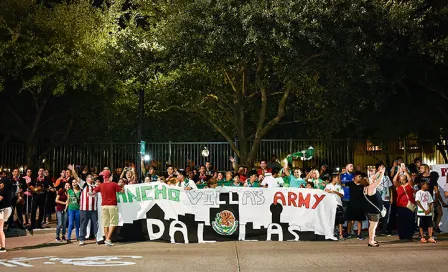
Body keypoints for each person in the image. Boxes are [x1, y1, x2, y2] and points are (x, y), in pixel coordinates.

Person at [92, 169, 124, 246]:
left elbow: (93, 192)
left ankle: (107, 239)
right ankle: (107, 238)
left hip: (104, 206)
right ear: (110, 177)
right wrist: (122, 187)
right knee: (114, 222)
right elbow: (122, 191)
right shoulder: (114, 184)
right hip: (112, 205)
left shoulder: (101, 185)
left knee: (105, 223)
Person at [71, 166, 99, 246]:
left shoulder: (95, 186)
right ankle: (82, 239)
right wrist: (73, 171)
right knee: (83, 224)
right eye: (90, 177)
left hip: (93, 209)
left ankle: (98, 237)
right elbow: (76, 177)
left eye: (92, 177)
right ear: (87, 179)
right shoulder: (83, 184)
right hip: (84, 209)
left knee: (95, 224)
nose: (92, 178)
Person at [416, 164, 443, 233]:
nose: (420, 169)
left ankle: (431, 232)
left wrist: (436, 199)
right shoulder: (419, 177)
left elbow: (436, 189)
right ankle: (421, 233)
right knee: (421, 217)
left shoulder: (432, 178)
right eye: (420, 168)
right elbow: (414, 185)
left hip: (429, 200)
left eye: (422, 168)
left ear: (427, 169)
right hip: (420, 200)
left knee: (430, 216)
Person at [363, 165, 385, 247]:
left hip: (370, 210)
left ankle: (371, 240)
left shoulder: (366, 187)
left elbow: (373, 177)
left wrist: (378, 172)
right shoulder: (371, 187)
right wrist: (382, 173)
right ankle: (371, 241)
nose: (373, 178)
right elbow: (378, 181)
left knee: (372, 226)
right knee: (373, 226)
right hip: (373, 211)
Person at [393, 164, 415, 241]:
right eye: (401, 176)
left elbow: (410, 180)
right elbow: (394, 180)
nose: (401, 177)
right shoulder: (398, 186)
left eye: (403, 176)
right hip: (401, 205)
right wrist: (398, 172)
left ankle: (409, 235)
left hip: (409, 205)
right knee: (401, 221)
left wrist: (405, 170)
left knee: (410, 221)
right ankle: (402, 235)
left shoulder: (409, 185)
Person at [344, 171, 366, 240]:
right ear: (355, 177)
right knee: (350, 220)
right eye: (359, 176)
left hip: (360, 205)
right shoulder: (350, 184)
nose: (360, 178)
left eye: (361, 177)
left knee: (360, 220)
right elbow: (341, 184)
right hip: (351, 204)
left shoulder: (363, 186)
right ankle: (348, 233)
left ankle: (359, 234)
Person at [374, 162, 394, 236]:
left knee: (385, 216)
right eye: (381, 167)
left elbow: (390, 188)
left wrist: (391, 197)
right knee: (377, 215)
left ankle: (384, 231)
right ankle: (374, 231)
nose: (383, 169)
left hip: (386, 199)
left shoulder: (387, 177)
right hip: (378, 199)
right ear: (378, 168)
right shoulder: (375, 177)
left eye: (384, 167)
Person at [325, 173, 344, 241]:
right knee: (332, 219)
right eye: (338, 178)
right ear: (334, 178)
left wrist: (335, 192)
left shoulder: (339, 186)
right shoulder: (328, 185)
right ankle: (332, 233)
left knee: (340, 220)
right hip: (330, 205)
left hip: (338, 204)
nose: (339, 179)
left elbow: (342, 195)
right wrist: (329, 191)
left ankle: (341, 235)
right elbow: (325, 193)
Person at [0, 174, 13, 252]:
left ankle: (3, 247)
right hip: (6, 209)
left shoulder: (3, 190)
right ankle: (1, 245)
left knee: (0, 229)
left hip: (2, 210)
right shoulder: (8, 190)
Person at [66, 179, 81, 243]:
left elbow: (80, 200)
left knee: (77, 224)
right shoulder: (69, 191)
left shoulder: (80, 191)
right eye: (73, 182)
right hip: (71, 209)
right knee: (71, 223)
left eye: (75, 182)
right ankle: (68, 238)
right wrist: (66, 208)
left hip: (77, 209)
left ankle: (78, 237)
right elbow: (68, 200)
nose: (74, 183)